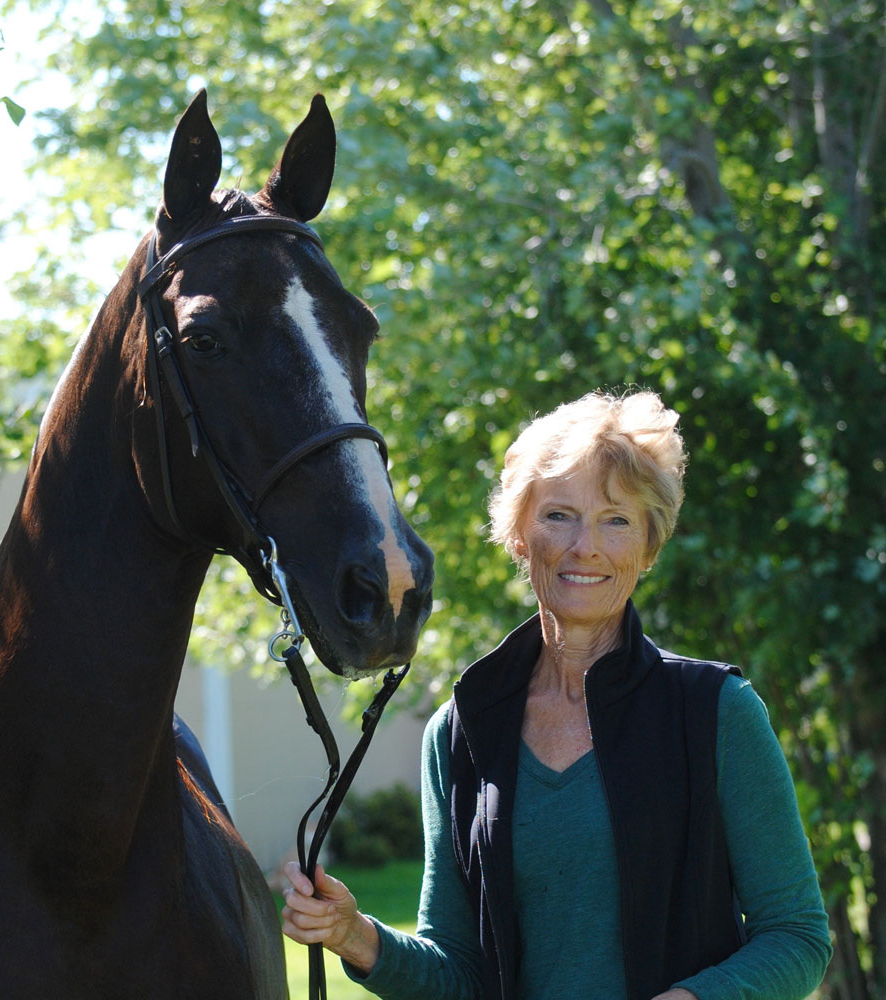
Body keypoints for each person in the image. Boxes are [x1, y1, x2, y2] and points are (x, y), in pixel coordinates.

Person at [282, 389, 832, 1000]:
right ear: (519, 535)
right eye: (558, 515)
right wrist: (356, 935)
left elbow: (798, 935)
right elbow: (462, 970)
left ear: (648, 548)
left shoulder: (715, 712)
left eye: (616, 520)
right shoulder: (464, 728)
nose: (585, 547)